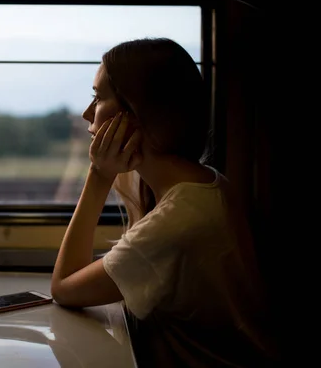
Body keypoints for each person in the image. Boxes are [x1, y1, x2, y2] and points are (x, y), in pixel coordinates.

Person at [50, 38, 278, 367]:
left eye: (98, 98)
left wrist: (99, 176)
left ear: (135, 114)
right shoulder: (205, 184)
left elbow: (63, 287)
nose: (87, 114)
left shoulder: (175, 222)